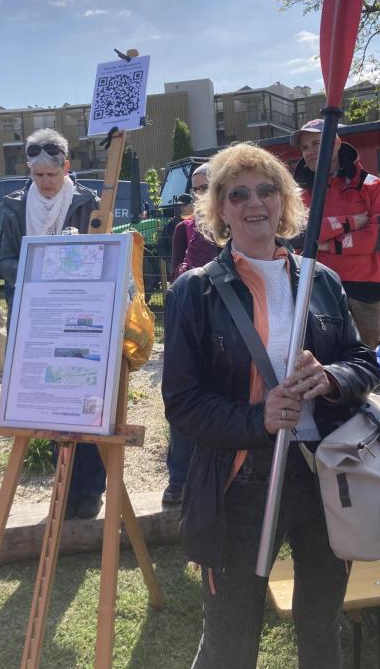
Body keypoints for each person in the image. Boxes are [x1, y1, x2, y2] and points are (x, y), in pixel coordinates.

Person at [162, 143, 379, 668]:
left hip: (323, 473)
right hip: (240, 483)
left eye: (266, 190)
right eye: (237, 194)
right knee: (230, 638)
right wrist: (256, 418)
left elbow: (363, 363)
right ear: (219, 209)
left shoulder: (319, 280)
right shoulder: (196, 292)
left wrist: (329, 377)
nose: (253, 203)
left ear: (285, 201)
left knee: (321, 625)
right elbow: (183, 404)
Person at [0, 129, 105, 521]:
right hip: (33, 314)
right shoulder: (12, 205)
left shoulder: (88, 201)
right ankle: (62, 487)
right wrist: (40, 271)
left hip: (79, 313)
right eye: (37, 175)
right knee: (49, 400)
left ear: (67, 169)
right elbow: (4, 260)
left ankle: (89, 487)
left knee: (83, 393)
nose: (44, 183)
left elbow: (99, 253)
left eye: (52, 175)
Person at [291, 118, 380, 349]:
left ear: (336, 143)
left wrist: (329, 244)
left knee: (366, 355)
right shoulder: (296, 194)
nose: (309, 152)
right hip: (313, 284)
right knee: (318, 354)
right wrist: (350, 222)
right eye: (304, 147)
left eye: (316, 143)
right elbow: (295, 234)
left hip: (362, 287)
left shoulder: (371, 185)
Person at [162, 165, 219, 505]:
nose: (200, 195)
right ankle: (179, 479)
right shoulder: (185, 229)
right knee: (182, 400)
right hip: (188, 323)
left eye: (207, 187)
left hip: (227, 327)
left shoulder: (239, 225)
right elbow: (176, 279)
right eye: (196, 189)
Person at [156, 193, 194, 277]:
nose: (181, 208)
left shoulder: (199, 223)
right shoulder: (169, 226)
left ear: (191, 206)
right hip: (177, 268)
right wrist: (173, 258)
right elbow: (161, 247)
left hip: (196, 266)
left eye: (184, 205)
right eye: (178, 205)